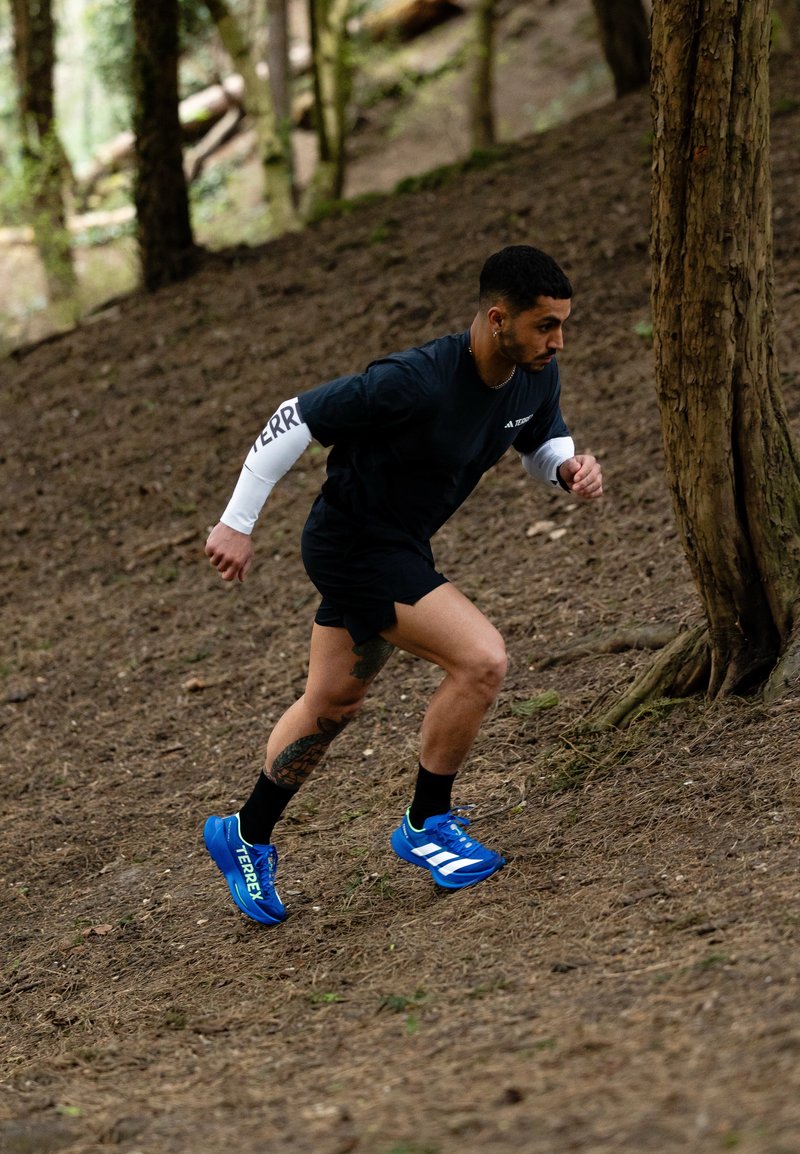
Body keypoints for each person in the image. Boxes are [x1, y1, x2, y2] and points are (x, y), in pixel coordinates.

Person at [203, 244, 603, 925]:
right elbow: (293, 417)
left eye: (562, 324)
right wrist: (236, 522)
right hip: (354, 546)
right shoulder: (414, 379)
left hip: (400, 544)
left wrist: (565, 469)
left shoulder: (534, 374)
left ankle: (244, 834)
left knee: (331, 702)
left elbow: (539, 438)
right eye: (545, 325)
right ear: (498, 318)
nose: (557, 341)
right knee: (481, 660)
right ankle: (426, 822)